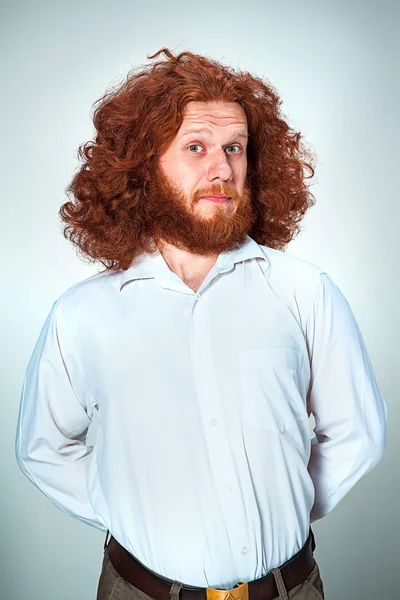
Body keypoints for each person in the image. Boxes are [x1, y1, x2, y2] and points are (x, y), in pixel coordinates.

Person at [15, 48, 387, 600]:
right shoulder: (82, 314)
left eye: (234, 148)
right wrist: (134, 513)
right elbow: (43, 448)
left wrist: (280, 503)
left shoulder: (303, 291)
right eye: (197, 148)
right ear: (144, 166)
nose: (222, 169)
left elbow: (358, 434)